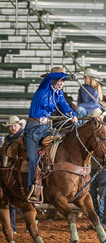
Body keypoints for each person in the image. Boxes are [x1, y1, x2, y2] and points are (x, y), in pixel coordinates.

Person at [25, 67, 78, 201]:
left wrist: (73, 115)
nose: (62, 83)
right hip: (33, 128)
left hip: (46, 128)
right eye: (60, 80)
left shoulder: (58, 94)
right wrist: (65, 75)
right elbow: (50, 77)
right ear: (53, 79)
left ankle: (53, 184)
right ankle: (31, 187)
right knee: (32, 157)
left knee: (58, 150)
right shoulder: (44, 87)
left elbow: (65, 106)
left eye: (63, 81)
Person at [88, 109, 106, 229]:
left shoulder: (105, 130)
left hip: (102, 167)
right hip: (92, 166)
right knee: (92, 195)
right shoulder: (92, 131)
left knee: (102, 196)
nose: (99, 119)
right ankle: (97, 221)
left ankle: (103, 221)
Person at [2, 116, 26, 233]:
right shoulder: (8, 139)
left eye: (14, 126)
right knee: (14, 200)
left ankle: (16, 226)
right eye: (10, 126)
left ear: (19, 126)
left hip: (17, 170)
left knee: (18, 200)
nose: (12, 128)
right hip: (10, 170)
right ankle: (14, 227)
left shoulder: (21, 138)